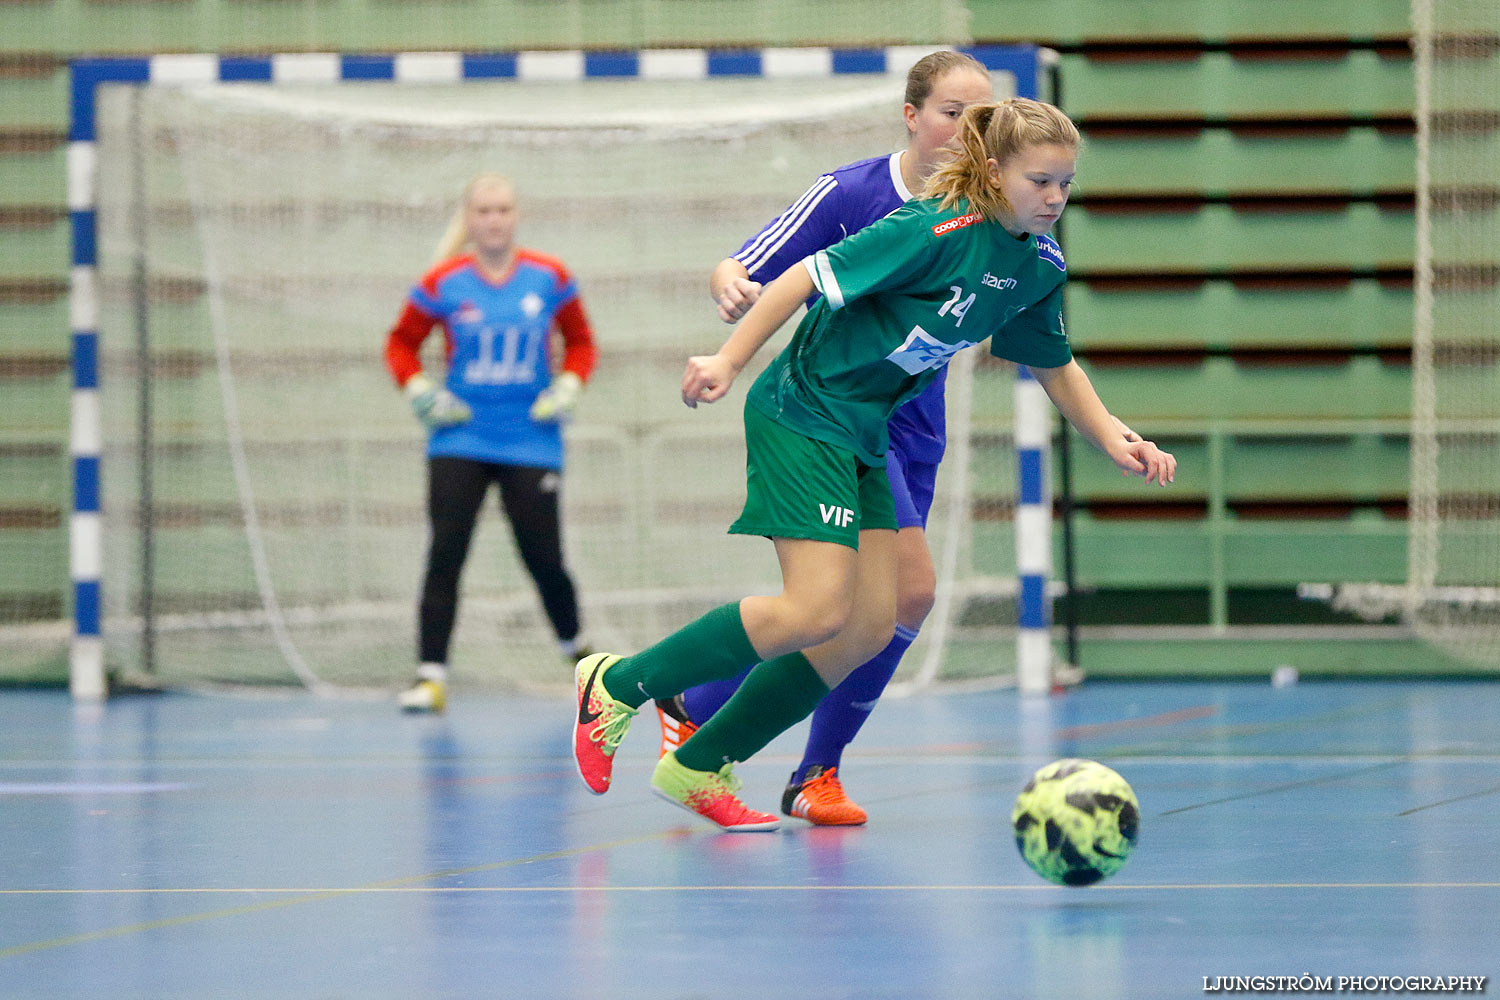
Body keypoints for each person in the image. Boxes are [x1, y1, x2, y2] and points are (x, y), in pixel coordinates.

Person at [573, 97, 1175, 831]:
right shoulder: (931, 228)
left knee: (865, 629)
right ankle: (617, 682)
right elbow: (801, 279)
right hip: (803, 410)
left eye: (1066, 185)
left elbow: (1054, 363)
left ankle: (700, 763)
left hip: (864, 429)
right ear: (993, 171)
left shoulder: (1037, 266)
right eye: (1040, 180)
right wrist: (729, 359)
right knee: (815, 611)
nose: (1054, 198)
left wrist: (1113, 435)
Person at [652, 51, 1000, 828]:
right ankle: (788, 755)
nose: (967, 130)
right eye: (951, 111)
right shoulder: (855, 193)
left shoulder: (1000, 209)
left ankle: (710, 712)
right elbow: (744, 263)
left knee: (871, 609)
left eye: (982, 117)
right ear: (911, 115)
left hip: (915, 422)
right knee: (888, 596)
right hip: (841, 415)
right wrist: (729, 288)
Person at [384, 172, 598, 713]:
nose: (494, 219)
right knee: (446, 554)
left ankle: (582, 663)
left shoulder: (548, 277)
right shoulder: (444, 281)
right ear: (469, 218)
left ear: (515, 214)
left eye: (502, 209)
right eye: (483, 211)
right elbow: (400, 342)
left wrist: (570, 383)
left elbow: (581, 341)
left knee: (544, 558)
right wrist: (418, 390)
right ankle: (430, 676)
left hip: (532, 438)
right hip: (460, 437)